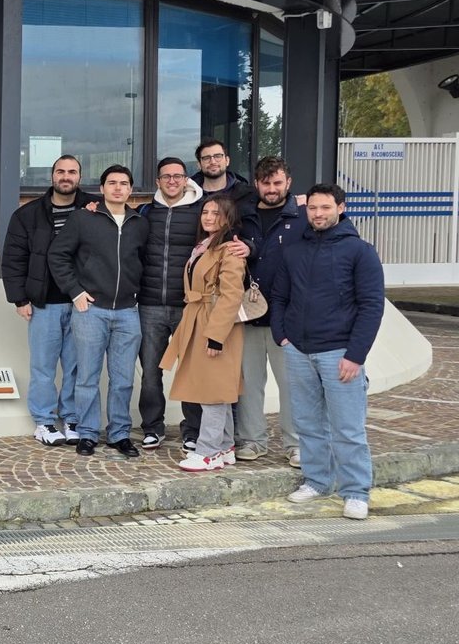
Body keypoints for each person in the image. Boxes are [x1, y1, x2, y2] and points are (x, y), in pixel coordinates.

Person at [271, 184, 386, 520]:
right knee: (307, 424)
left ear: (341, 208)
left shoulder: (360, 251)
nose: (318, 214)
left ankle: (356, 492)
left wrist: (356, 355)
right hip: (298, 350)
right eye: (312, 208)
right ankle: (318, 481)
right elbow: (279, 297)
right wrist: (282, 337)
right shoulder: (294, 250)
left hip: (340, 354)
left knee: (348, 429)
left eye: (325, 207)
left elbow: (371, 306)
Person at [48, 164, 148, 458]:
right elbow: (58, 255)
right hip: (91, 311)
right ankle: (88, 433)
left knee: (123, 379)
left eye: (123, 183)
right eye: (112, 183)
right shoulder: (83, 218)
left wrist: (137, 294)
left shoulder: (140, 223)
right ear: (102, 188)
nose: (118, 188)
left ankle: (119, 434)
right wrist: (75, 291)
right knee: (87, 377)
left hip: (128, 312)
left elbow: (144, 262)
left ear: (130, 189)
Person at [0, 154, 89, 446]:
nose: (66, 176)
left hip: (82, 303)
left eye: (72, 172)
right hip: (44, 303)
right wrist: (19, 299)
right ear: (52, 176)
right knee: (43, 366)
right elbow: (13, 259)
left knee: (77, 366)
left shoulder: (94, 208)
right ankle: (44, 421)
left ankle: (72, 418)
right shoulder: (28, 214)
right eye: (61, 171)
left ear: (79, 177)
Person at [160, 195, 247, 472]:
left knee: (213, 389)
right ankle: (225, 446)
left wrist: (216, 336)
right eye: (205, 212)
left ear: (228, 218)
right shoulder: (206, 245)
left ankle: (209, 451)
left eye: (216, 213)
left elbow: (232, 295)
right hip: (200, 318)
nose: (209, 217)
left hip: (216, 323)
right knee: (217, 386)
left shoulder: (229, 249)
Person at [233, 156, 305, 467]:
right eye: (266, 183)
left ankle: (296, 444)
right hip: (248, 315)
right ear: (256, 184)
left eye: (277, 182)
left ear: (288, 183)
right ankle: (252, 440)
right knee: (249, 383)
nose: (272, 189)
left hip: (287, 317)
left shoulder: (302, 216)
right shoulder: (242, 216)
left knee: (291, 384)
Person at [136, 157, 207, 453]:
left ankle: (193, 430)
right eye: (166, 176)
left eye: (178, 176)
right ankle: (152, 427)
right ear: (158, 181)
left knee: (190, 370)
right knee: (151, 372)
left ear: (186, 179)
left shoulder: (200, 212)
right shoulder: (145, 212)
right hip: (149, 304)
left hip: (186, 304)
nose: (172, 181)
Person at [191, 138, 255, 208]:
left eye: (218, 156)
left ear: (227, 161)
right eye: (206, 158)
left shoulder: (246, 195)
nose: (213, 162)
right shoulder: (188, 194)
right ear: (199, 165)